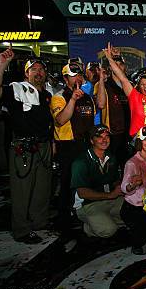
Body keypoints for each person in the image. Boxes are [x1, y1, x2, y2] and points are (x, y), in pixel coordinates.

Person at [0, 47, 53, 244]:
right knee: (22, 191)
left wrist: (51, 144)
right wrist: (2, 64)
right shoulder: (16, 88)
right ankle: (21, 230)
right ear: (26, 73)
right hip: (23, 147)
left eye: (41, 69)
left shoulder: (49, 93)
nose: (38, 72)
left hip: (44, 146)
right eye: (34, 69)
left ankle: (39, 222)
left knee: (42, 188)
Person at [51, 60, 97, 231]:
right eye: (73, 75)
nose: (77, 77)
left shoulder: (87, 98)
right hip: (67, 145)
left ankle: (81, 214)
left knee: (84, 181)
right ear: (65, 78)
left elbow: (97, 110)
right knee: (67, 183)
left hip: (85, 144)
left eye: (79, 74)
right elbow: (61, 119)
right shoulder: (59, 96)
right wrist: (72, 99)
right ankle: (63, 218)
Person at [103, 43, 146, 143]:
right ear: (139, 86)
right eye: (142, 84)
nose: (145, 86)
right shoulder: (134, 96)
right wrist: (109, 59)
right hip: (137, 140)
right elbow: (122, 77)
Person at [71, 125, 125, 238]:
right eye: (99, 137)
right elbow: (82, 193)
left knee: (132, 214)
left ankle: (103, 220)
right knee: (109, 231)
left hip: (109, 199)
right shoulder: (81, 162)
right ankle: (89, 226)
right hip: (88, 204)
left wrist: (125, 186)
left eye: (107, 136)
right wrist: (110, 195)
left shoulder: (111, 157)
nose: (104, 140)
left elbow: (115, 181)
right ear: (91, 140)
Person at [120, 126, 146, 254]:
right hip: (134, 207)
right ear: (139, 142)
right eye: (145, 139)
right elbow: (124, 188)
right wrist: (133, 185)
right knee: (141, 235)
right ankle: (135, 242)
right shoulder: (132, 163)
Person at [95, 56, 131, 168]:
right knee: (112, 169)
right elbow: (100, 104)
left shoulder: (129, 84)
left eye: (121, 64)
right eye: (115, 64)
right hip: (112, 133)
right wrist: (101, 80)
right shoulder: (103, 84)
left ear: (125, 67)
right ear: (111, 68)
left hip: (128, 133)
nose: (118, 67)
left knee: (127, 167)